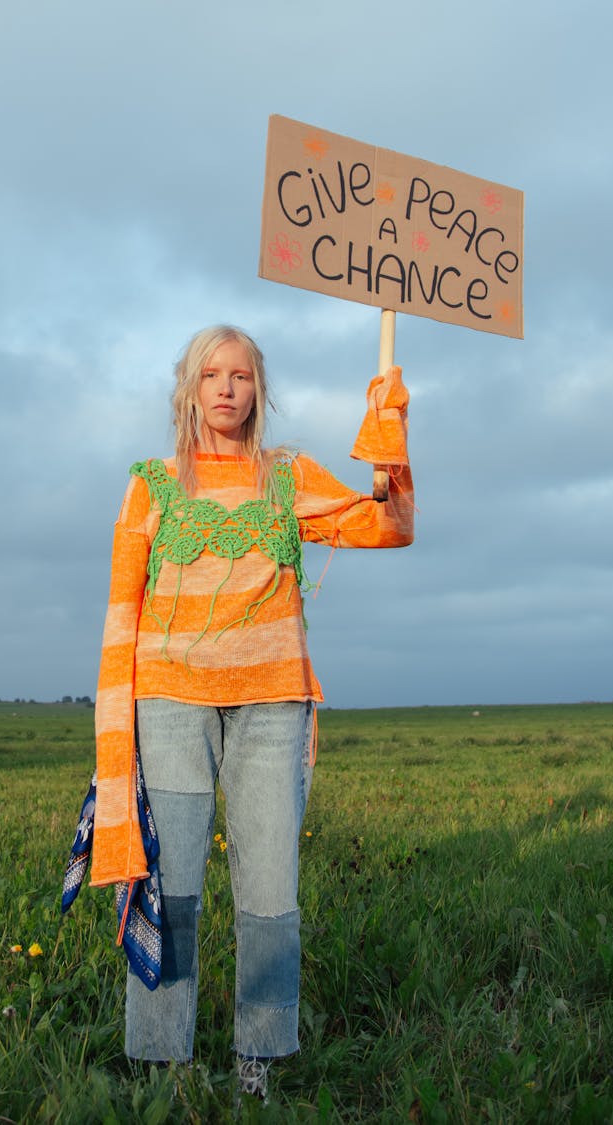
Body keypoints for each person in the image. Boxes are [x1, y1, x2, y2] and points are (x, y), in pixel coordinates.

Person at [88, 325, 414, 1100]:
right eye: (212, 374)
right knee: (172, 890)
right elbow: (120, 614)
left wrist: (390, 436)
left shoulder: (289, 476)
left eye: (241, 375)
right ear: (189, 389)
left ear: (258, 388)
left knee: (270, 890)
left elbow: (388, 523)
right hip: (169, 704)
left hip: (273, 705)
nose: (227, 387)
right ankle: (165, 1065)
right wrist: (113, 731)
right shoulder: (151, 482)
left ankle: (258, 1061)